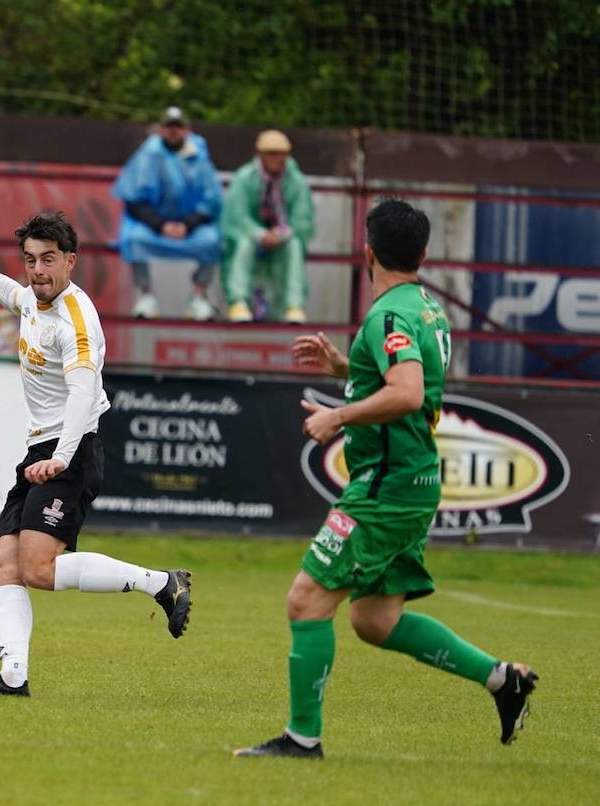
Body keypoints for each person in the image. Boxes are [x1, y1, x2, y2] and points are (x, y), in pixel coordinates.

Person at [235, 199, 537, 760]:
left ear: (366, 252)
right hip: (411, 481)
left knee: (306, 600)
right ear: (422, 255)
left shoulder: (388, 315)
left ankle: (302, 739)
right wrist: (347, 371)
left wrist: (337, 414)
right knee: (374, 619)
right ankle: (503, 680)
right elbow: (405, 376)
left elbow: (408, 393)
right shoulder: (425, 307)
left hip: (386, 485)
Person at [0, 212, 194, 697]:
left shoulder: (75, 320)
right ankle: (12, 679)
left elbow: (82, 393)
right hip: (41, 448)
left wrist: (62, 457)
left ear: (71, 261)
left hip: (68, 449)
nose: (37, 270)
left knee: (37, 568)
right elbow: (8, 292)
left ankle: (160, 582)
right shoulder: (33, 298)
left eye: (48, 259)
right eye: (30, 260)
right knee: (4, 567)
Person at [112, 106, 222, 321]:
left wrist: (188, 225)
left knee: (212, 240)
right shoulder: (148, 155)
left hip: (189, 229)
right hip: (155, 228)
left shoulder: (199, 157)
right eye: (169, 127)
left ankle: (199, 297)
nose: (174, 132)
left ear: (187, 130)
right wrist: (161, 225)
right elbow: (134, 200)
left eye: (178, 127)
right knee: (134, 238)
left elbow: (211, 201)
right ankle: (145, 296)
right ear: (161, 130)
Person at [220, 130, 315, 323]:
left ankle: (294, 305)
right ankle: (238, 302)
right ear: (259, 154)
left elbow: (302, 219)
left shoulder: (296, 181)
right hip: (251, 237)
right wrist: (259, 233)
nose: (275, 158)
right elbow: (236, 216)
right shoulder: (244, 178)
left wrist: (281, 234)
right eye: (270, 153)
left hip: (282, 239)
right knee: (243, 244)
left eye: (280, 153)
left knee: (295, 245)